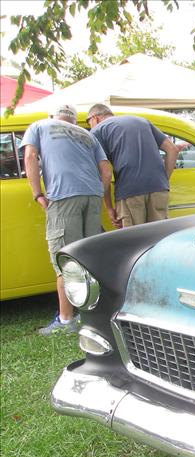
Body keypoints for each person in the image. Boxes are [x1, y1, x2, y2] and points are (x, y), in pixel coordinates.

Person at [22, 104, 112, 335]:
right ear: (74, 120)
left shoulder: (40, 126)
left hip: (63, 196)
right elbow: (106, 171)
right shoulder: (87, 134)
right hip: (93, 195)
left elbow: (30, 155)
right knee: (90, 257)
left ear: (53, 116)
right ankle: (95, 313)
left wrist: (37, 194)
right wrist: (97, 193)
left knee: (65, 258)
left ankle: (66, 320)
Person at [87, 103, 177, 228]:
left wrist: (109, 208)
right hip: (159, 188)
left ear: (95, 118)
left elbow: (105, 173)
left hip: (129, 190)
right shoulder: (142, 121)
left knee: (135, 237)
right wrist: (163, 180)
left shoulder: (97, 130)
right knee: (158, 235)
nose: (90, 127)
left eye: (89, 123)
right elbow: (172, 149)